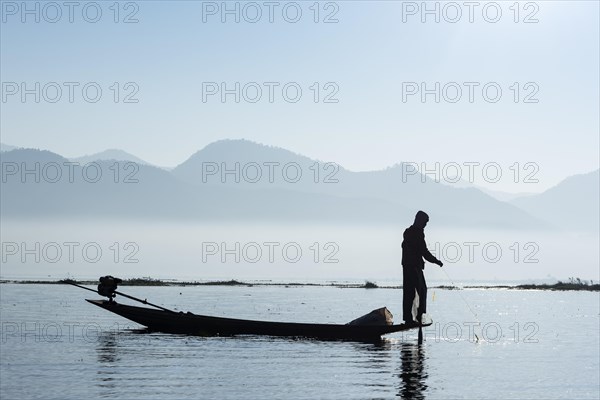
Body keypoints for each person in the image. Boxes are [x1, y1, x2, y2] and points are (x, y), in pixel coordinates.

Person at [402, 211, 443, 326]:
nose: (425, 225)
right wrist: (436, 261)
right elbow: (424, 252)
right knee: (421, 290)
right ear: (418, 220)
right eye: (424, 222)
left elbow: (422, 251)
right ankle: (419, 317)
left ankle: (410, 318)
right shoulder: (415, 233)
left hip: (409, 266)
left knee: (410, 292)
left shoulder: (409, 232)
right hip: (413, 267)